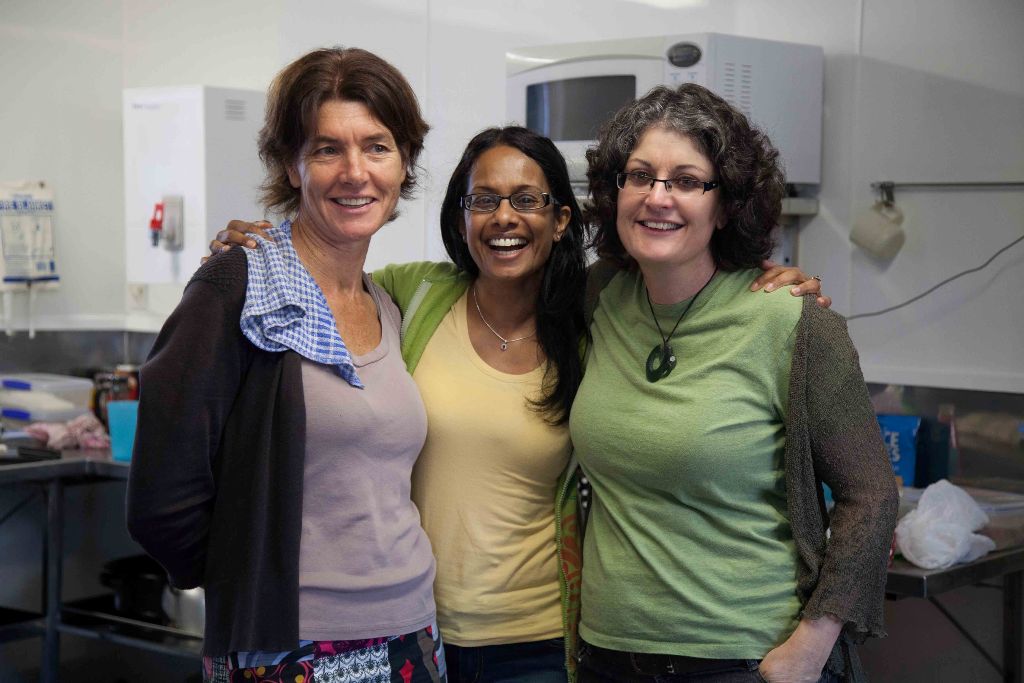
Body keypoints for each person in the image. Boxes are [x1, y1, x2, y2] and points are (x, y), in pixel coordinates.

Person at [209, 128, 828, 683]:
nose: (503, 217)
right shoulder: (410, 294)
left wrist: (760, 276)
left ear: (560, 219)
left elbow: (684, 276)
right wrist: (263, 250)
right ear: (461, 217)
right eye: (483, 200)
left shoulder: (595, 315)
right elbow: (325, 282)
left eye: (527, 199)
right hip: (413, 633)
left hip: (538, 641)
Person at [126, 47, 445, 683]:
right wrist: (243, 580)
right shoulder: (237, 288)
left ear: (404, 162)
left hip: (411, 631)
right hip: (289, 646)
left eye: (377, 147)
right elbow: (162, 498)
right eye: (327, 149)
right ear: (291, 166)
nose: (355, 172)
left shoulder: (385, 302)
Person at [569, 83, 898, 683]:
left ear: (725, 206)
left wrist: (810, 647)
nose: (657, 197)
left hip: (742, 659)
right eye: (639, 175)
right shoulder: (600, 297)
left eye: (687, 181)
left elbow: (871, 496)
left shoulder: (792, 323)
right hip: (606, 655)